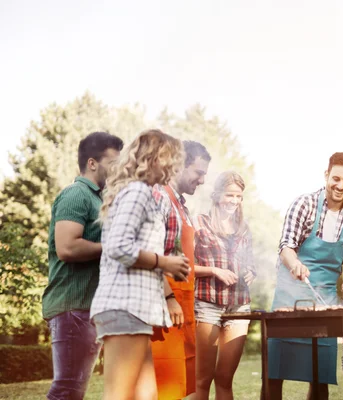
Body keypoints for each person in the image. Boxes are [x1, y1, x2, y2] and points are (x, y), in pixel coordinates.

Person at [90, 129, 191, 400]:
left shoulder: (140, 192)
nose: (174, 168)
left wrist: (165, 271)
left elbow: (136, 251)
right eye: (171, 159)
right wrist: (165, 262)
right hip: (125, 306)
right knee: (119, 396)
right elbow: (118, 247)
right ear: (155, 158)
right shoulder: (137, 193)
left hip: (137, 310)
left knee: (146, 396)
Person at [267, 152, 343, 400]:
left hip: (325, 304)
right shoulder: (305, 204)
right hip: (289, 301)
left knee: (320, 378)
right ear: (326, 175)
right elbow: (286, 247)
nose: (340, 186)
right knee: (274, 375)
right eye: (336, 178)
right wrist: (295, 265)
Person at [42, 131, 123, 400]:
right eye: (112, 163)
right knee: (67, 389)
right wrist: (114, 250)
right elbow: (67, 247)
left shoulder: (98, 199)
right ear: (92, 163)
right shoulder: (76, 194)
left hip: (87, 307)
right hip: (72, 306)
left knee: (74, 390)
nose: (116, 170)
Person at [151, 140, 211, 400]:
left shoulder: (182, 205)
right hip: (166, 306)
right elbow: (151, 253)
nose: (201, 180)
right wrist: (168, 297)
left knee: (183, 386)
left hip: (184, 306)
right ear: (179, 166)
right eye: (198, 173)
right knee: (165, 386)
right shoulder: (159, 196)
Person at [193, 170, 256, 400]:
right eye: (230, 195)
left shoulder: (244, 227)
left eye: (239, 196)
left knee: (225, 378)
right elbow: (185, 266)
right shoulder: (200, 222)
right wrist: (214, 271)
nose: (234, 201)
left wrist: (250, 273)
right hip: (207, 304)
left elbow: (251, 263)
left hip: (239, 307)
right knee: (202, 379)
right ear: (218, 194)